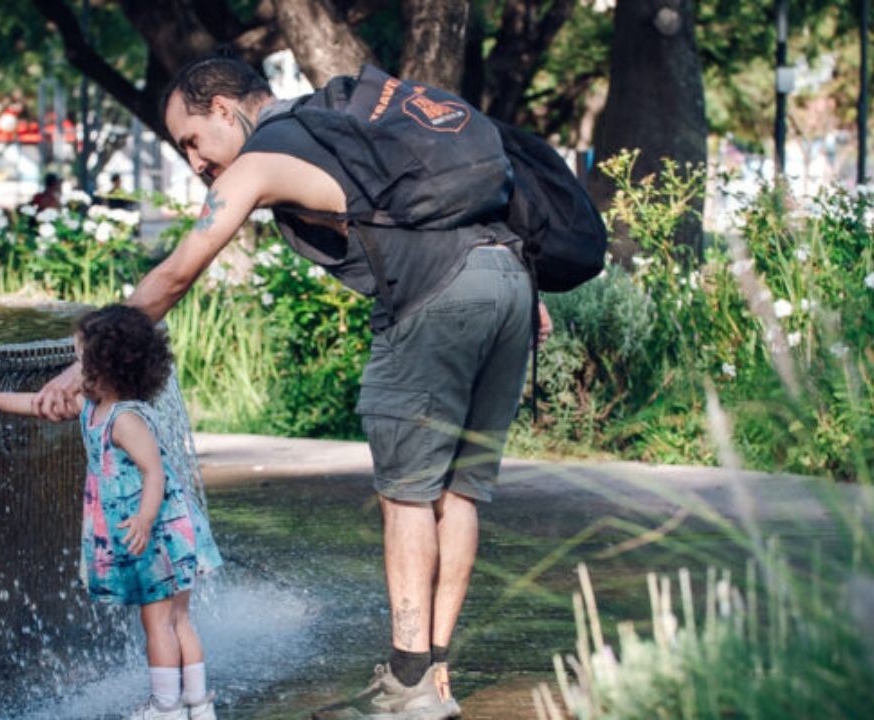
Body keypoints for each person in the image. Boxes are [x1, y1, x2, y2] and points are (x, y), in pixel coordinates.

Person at [35, 56, 553, 719]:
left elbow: (176, 274)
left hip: (435, 297)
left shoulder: (262, 157)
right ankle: (432, 673)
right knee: (459, 491)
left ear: (224, 108)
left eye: (191, 139)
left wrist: (85, 367)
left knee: (408, 497)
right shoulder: (343, 121)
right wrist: (514, 293)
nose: (194, 161)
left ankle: (409, 689)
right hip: (509, 279)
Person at [0, 304, 223, 720]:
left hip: (155, 531)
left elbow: (155, 473)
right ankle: (198, 703)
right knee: (178, 621)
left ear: (103, 366)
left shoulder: (124, 419)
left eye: (80, 358)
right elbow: (36, 404)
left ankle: (167, 707)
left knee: (160, 624)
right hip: (163, 528)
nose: (74, 367)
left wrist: (144, 520)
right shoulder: (90, 405)